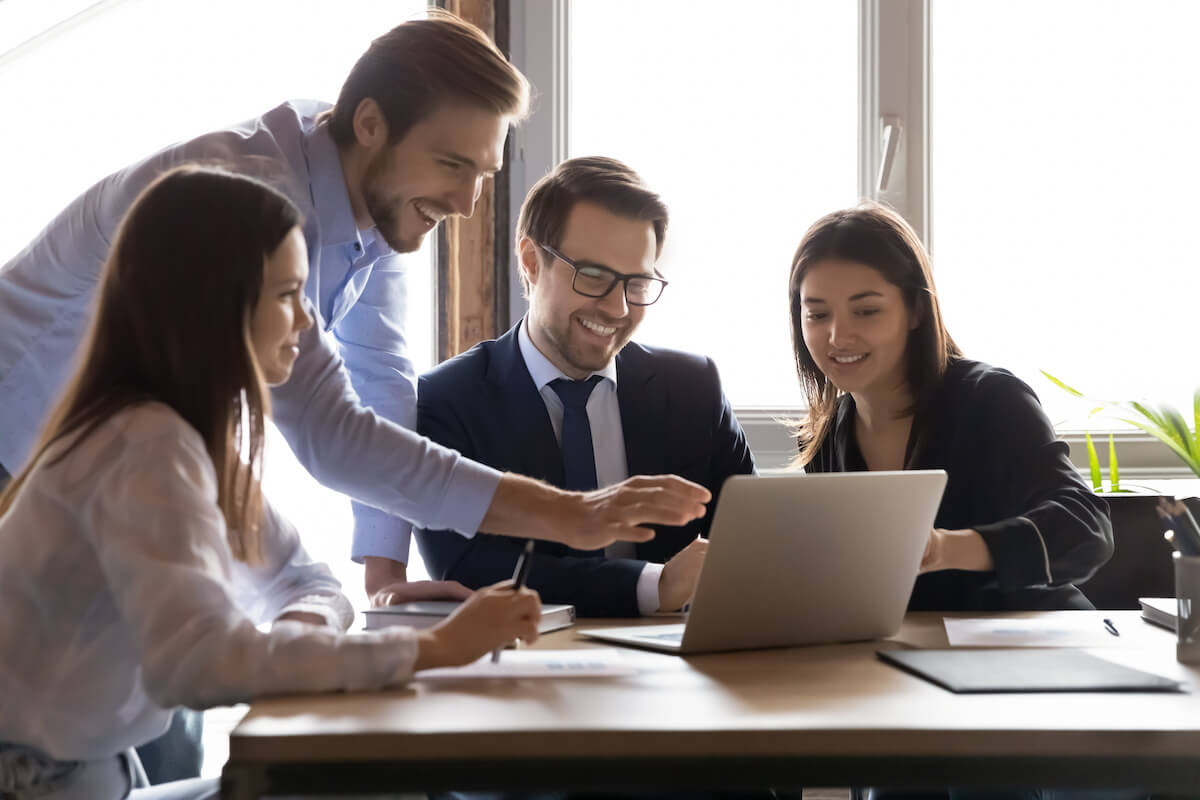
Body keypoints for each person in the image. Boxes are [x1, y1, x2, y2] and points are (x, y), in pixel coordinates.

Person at [0, 10, 707, 610]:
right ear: (370, 124)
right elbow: (334, 435)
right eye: (452, 166)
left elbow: (381, 381)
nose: (466, 205)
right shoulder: (251, 205)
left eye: (483, 176)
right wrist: (576, 515)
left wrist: (385, 581)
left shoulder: (363, 197)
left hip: (99, 481)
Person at [0, 167, 544, 800]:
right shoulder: (142, 446)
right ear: (215, 307)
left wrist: (299, 644)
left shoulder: (180, 437)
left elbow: (306, 581)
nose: (308, 323)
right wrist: (435, 648)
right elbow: (199, 664)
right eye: (288, 294)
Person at [415, 157, 755, 617]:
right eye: (593, 276)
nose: (616, 309)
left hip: (684, 665)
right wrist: (655, 585)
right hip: (523, 667)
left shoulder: (694, 389)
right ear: (532, 262)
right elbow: (468, 568)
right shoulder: (447, 400)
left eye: (636, 283)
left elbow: (752, 542)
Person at [789, 203, 1113, 611]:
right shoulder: (824, 437)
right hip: (910, 657)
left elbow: (1086, 529)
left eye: (866, 311)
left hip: (1033, 646)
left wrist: (943, 548)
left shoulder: (991, 399)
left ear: (916, 310)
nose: (838, 336)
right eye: (817, 314)